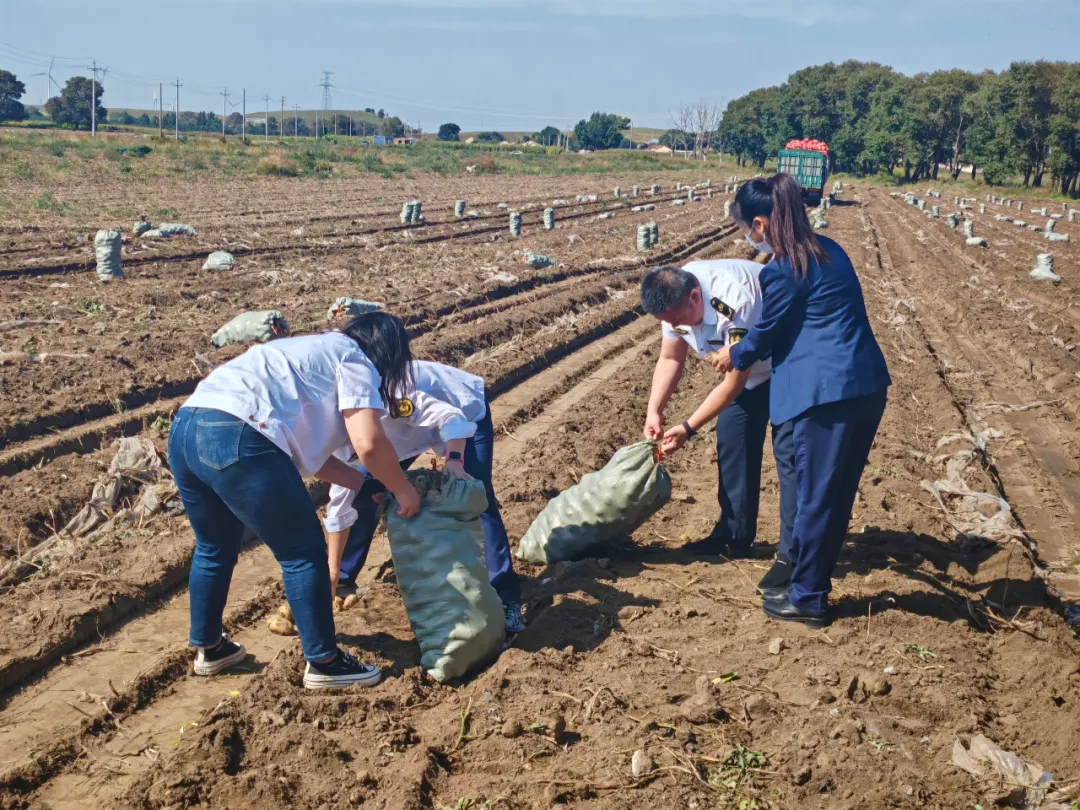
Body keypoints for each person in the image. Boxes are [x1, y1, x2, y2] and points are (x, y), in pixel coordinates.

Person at [168, 312, 422, 689]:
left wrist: (365, 486)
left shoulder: (307, 350)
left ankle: (211, 649)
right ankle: (325, 662)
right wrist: (404, 490)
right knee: (303, 552)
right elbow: (369, 442)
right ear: (388, 351)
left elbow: (312, 456)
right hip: (240, 432)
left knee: (214, 546)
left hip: (186, 429)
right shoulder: (356, 359)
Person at [711, 174, 891, 627]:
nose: (746, 236)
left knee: (814, 497)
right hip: (865, 386)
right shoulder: (832, 250)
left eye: (746, 228)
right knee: (835, 492)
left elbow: (766, 334)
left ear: (760, 224)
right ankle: (809, 583)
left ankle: (808, 598)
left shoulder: (783, 270)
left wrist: (733, 352)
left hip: (824, 396)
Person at [324, 360, 526, 633]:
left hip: (459, 409)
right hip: (400, 434)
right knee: (365, 491)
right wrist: (332, 569)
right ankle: (344, 580)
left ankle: (505, 597)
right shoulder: (335, 431)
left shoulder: (395, 394)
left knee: (473, 495)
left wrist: (454, 460)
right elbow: (340, 499)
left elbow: (450, 418)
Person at [640, 261, 796, 576]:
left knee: (790, 452)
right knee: (733, 437)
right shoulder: (673, 298)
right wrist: (654, 409)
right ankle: (734, 536)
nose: (677, 325)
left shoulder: (734, 300)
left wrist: (687, 428)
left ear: (696, 297)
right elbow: (671, 356)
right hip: (751, 374)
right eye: (670, 323)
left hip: (787, 363)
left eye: (679, 319)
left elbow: (734, 383)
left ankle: (797, 548)